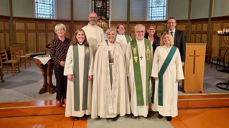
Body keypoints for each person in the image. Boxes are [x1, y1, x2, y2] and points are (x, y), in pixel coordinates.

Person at [91, 28, 130, 121]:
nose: (111, 36)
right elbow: (97, 62)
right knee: (105, 91)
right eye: (109, 34)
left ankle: (115, 112)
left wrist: (122, 73)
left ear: (115, 35)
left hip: (116, 74)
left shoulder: (118, 46)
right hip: (105, 74)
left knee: (116, 91)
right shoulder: (101, 47)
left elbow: (122, 61)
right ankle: (104, 111)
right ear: (106, 35)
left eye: (113, 34)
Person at [151, 32, 184, 121]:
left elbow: (178, 64)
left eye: (168, 38)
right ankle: (161, 112)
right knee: (161, 94)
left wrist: (178, 76)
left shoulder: (175, 50)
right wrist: (154, 74)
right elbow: (155, 62)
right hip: (161, 75)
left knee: (170, 94)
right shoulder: (158, 49)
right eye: (164, 38)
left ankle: (169, 112)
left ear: (171, 39)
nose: (166, 40)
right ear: (162, 40)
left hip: (172, 76)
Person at [64, 29, 93, 121]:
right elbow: (68, 60)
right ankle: (75, 113)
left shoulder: (88, 47)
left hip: (85, 75)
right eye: (79, 35)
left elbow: (91, 61)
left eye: (83, 35)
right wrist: (69, 73)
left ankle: (85, 113)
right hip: (74, 75)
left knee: (85, 93)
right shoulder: (72, 47)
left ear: (85, 36)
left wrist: (90, 73)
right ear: (76, 36)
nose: (81, 36)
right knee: (74, 94)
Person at [126, 24, 152, 118]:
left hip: (145, 72)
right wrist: (127, 72)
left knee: (145, 90)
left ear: (144, 32)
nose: (140, 33)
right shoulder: (131, 44)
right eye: (138, 31)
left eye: (142, 31)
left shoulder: (148, 43)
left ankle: (144, 112)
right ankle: (135, 112)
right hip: (134, 72)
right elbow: (127, 58)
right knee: (134, 91)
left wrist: (151, 71)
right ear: (135, 32)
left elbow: (151, 58)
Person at [50, 23, 70, 107]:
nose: (60, 31)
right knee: (59, 82)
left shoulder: (69, 41)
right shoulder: (54, 41)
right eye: (58, 30)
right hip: (58, 66)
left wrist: (67, 62)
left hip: (68, 65)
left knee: (66, 82)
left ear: (64, 31)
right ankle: (58, 98)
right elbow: (52, 55)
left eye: (62, 29)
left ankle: (65, 97)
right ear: (56, 32)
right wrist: (59, 62)